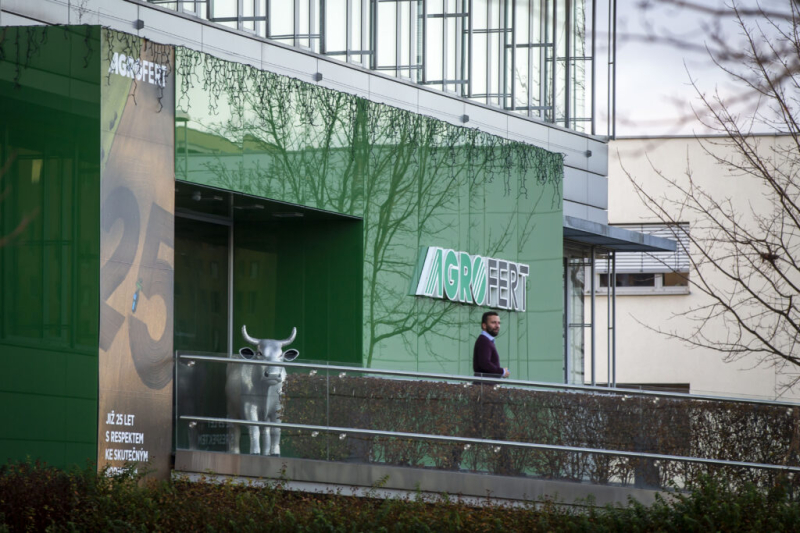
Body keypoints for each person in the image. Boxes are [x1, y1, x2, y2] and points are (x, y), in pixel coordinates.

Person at [473, 311, 509, 378]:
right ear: (484, 325)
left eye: (499, 323)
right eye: (493, 323)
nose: (497, 326)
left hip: (485, 385)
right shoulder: (484, 341)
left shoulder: (486, 340)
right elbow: (485, 364)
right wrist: (502, 372)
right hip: (484, 386)